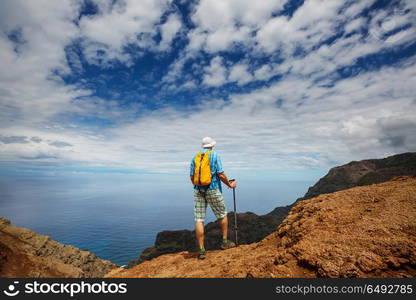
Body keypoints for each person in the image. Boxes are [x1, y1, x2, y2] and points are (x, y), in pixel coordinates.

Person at [189, 137, 237, 260]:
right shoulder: (215, 156)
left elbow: (191, 176)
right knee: (222, 214)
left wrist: (199, 186)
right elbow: (220, 174)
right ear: (212, 145)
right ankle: (225, 242)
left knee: (199, 219)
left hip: (198, 190)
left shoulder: (195, 157)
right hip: (213, 189)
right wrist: (229, 185)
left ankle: (201, 250)